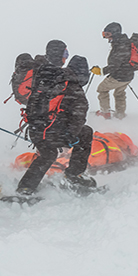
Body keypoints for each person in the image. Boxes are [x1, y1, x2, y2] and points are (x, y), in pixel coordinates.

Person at [16, 40, 96, 195]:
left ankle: (26, 187)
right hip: (53, 133)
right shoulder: (74, 89)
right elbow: (78, 118)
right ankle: (75, 174)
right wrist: (70, 135)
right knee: (85, 132)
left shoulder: (46, 77)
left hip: (35, 129)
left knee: (48, 153)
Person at [94, 22, 136, 120]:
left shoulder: (121, 45)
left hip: (119, 76)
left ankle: (105, 112)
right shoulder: (123, 42)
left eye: (108, 34)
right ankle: (120, 114)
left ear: (115, 33)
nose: (106, 37)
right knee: (119, 93)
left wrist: (101, 71)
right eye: (105, 34)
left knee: (102, 89)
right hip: (128, 75)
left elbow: (115, 65)